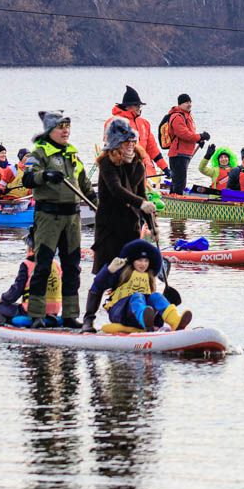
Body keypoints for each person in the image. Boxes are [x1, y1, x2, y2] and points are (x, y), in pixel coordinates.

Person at [22, 110, 95, 329]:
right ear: (49, 131)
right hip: (48, 216)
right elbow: (28, 178)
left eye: (67, 127)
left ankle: (71, 314)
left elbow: (84, 183)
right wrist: (45, 175)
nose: (65, 131)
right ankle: (36, 313)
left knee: (72, 266)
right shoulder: (39, 153)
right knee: (43, 265)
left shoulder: (72, 154)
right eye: (60, 127)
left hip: (72, 217)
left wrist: (97, 203)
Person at [86, 117, 153, 333]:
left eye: (133, 141)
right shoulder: (106, 163)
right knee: (106, 273)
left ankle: (128, 317)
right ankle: (88, 319)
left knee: (129, 275)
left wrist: (151, 225)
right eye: (126, 142)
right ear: (116, 144)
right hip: (109, 228)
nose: (131, 145)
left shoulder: (138, 164)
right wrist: (141, 203)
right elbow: (116, 190)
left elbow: (141, 194)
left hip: (130, 228)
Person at [92, 239, 192, 332]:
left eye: (146, 261)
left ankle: (175, 322)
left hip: (141, 314)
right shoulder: (122, 272)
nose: (143, 264)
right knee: (138, 296)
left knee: (156, 296)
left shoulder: (149, 276)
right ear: (132, 261)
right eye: (139, 260)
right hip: (120, 312)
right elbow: (98, 284)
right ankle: (145, 321)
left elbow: (153, 301)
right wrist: (109, 270)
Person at [0, 232, 62, 327]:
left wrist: (3, 298)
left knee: (0, 306)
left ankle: (7, 319)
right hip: (54, 311)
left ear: (31, 249)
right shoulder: (56, 264)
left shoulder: (27, 265)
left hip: (31, 311)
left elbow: (17, 290)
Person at [105, 85, 169, 179]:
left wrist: (165, 168)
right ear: (127, 107)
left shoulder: (144, 123)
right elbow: (112, 149)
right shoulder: (115, 122)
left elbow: (152, 149)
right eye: (136, 105)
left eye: (139, 105)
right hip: (125, 170)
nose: (139, 107)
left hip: (146, 171)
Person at [165, 94, 210, 194]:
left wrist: (198, 140)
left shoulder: (187, 116)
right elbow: (183, 134)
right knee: (179, 182)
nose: (189, 104)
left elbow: (189, 134)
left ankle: (173, 200)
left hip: (184, 153)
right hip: (178, 154)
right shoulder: (177, 116)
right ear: (180, 104)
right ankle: (176, 202)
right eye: (186, 102)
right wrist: (200, 136)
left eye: (190, 102)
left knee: (178, 181)